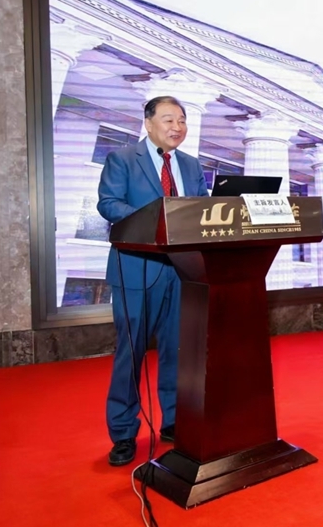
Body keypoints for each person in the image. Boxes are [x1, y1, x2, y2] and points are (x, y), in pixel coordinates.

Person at [97, 96, 209, 466]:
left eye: (182, 120)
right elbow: (109, 204)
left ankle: (174, 421)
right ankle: (123, 432)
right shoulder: (123, 159)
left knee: (178, 350)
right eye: (168, 119)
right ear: (148, 123)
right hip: (136, 269)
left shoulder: (191, 165)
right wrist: (156, 221)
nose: (177, 127)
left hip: (183, 272)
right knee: (130, 354)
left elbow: (202, 208)